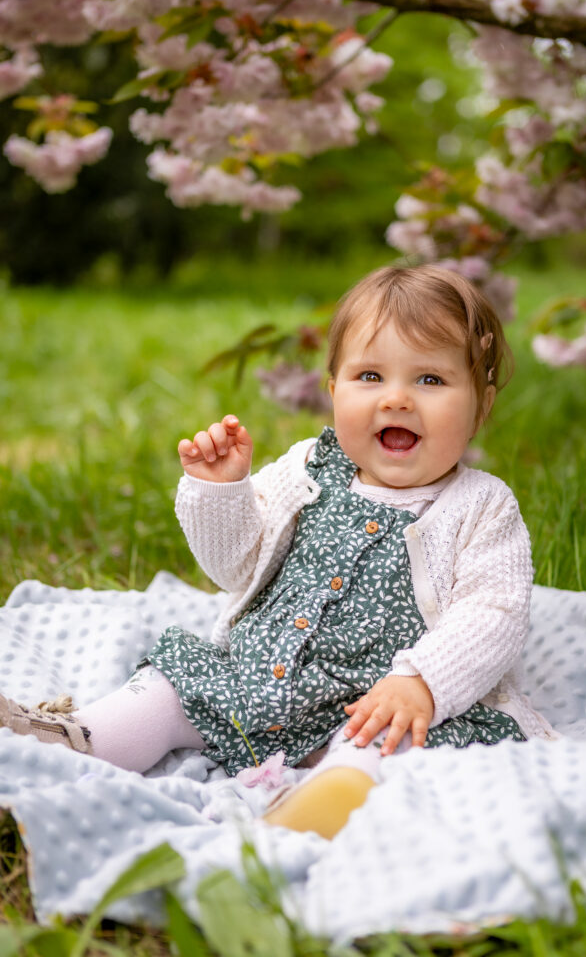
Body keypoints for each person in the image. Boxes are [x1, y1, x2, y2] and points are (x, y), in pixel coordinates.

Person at [0, 264, 554, 838]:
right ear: (335, 390)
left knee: (391, 743)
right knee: (169, 687)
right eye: (370, 375)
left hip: (372, 700)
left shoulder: (482, 506)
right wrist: (222, 493)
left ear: (481, 406)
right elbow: (235, 566)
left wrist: (424, 682)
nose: (397, 400)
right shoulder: (308, 467)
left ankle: (334, 792)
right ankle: (74, 743)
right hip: (256, 676)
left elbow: (496, 613)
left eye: (431, 381)